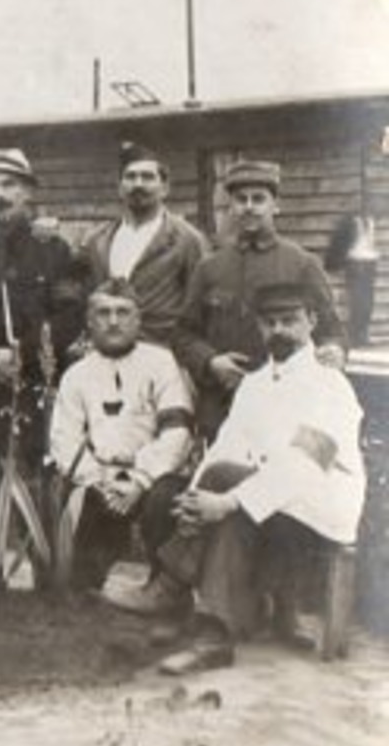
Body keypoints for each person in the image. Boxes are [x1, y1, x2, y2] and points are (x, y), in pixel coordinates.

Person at [147, 283, 364, 675]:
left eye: (290, 321)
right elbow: (225, 447)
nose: (278, 330)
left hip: (319, 506)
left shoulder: (331, 387)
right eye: (269, 323)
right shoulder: (255, 383)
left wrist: (226, 500)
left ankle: (182, 599)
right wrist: (195, 500)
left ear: (312, 321)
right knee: (221, 483)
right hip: (268, 501)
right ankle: (209, 625)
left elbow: (305, 466)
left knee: (230, 495)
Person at [0, 147, 83, 525]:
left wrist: (22, 355)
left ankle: (46, 575)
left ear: (28, 192)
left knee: (42, 479)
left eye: (9, 184)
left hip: (37, 382)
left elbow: (70, 315)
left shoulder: (55, 251)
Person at [174, 160, 345, 439]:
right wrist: (210, 362)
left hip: (287, 402)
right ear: (231, 207)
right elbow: (183, 332)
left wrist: (334, 350)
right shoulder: (210, 267)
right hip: (222, 404)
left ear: (275, 205)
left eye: (259, 199)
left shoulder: (302, 263)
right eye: (241, 200)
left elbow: (331, 329)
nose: (249, 206)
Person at [48, 281, 194, 595]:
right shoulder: (76, 374)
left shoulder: (161, 363)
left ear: (138, 319)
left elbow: (178, 431)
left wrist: (139, 480)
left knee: (165, 498)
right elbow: (65, 438)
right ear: (89, 321)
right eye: (103, 313)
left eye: (123, 312)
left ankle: (163, 588)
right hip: (101, 475)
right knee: (70, 494)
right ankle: (84, 585)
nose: (113, 321)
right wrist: (99, 480)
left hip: (153, 475)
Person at [77, 142, 208, 346]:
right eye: (130, 177)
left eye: (148, 177)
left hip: (164, 355)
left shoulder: (187, 240)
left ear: (165, 188)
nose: (138, 184)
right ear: (120, 187)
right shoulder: (97, 240)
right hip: (108, 354)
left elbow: (199, 308)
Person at [324, 207, 378, 347]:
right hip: (355, 263)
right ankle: (354, 336)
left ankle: (363, 334)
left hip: (369, 264)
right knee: (357, 301)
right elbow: (339, 242)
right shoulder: (350, 222)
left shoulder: (372, 221)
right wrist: (336, 262)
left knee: (368, 302)